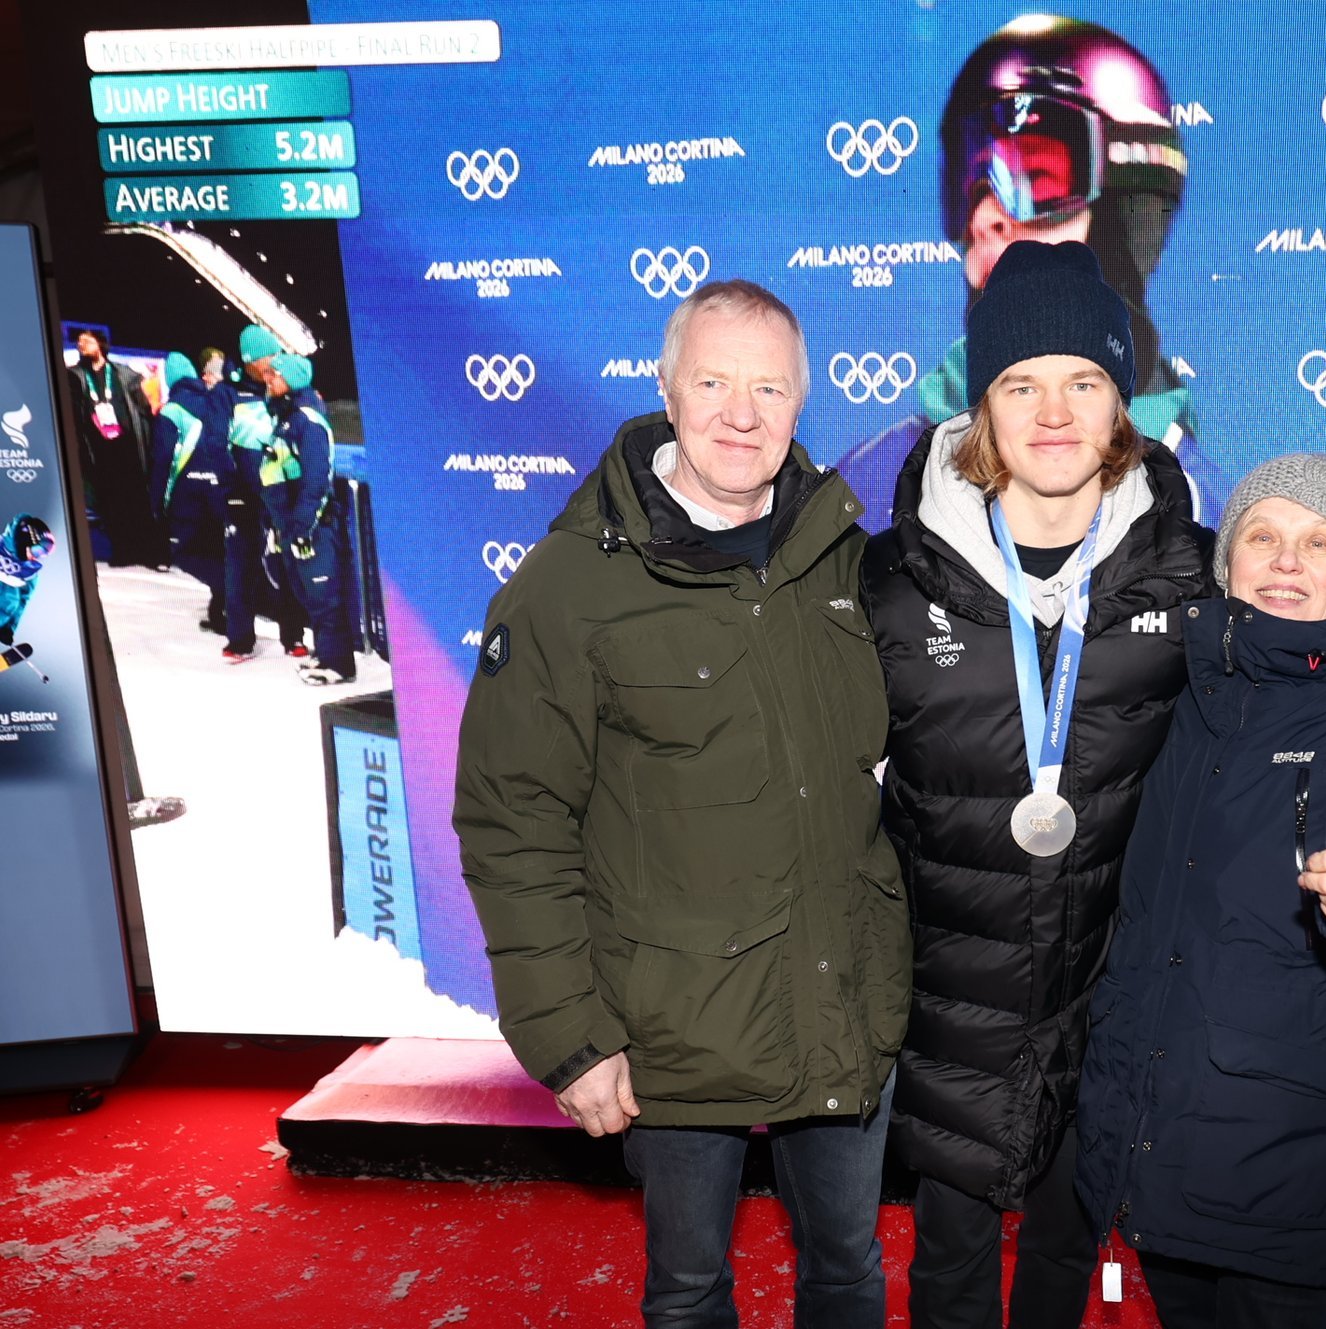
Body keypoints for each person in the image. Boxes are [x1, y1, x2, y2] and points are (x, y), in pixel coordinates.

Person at [454, 279, 911, 1328]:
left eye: (768, 387)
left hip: (837, 1000)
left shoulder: (842, 556)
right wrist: (569, 1035)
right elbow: (512, 823)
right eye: (711, 381)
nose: (739, 413)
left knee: (846, 1271)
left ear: (804, 402)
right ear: (665, 387)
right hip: (667, 1033)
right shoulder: (566, 590)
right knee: (690, 1288)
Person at [860, 239, 1211, 1329]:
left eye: (1082, 383)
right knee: (952, 1269)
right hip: (950, 997)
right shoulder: (889, 578)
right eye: (1020, 383)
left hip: (1110, 1000)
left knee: (1065, 1255)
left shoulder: (1191, 577)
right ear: (979, 410)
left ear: (1120, 408)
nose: (1051, 412)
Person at [1073, 455, 1326, 1327]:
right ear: (1229, 563)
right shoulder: (1178, 700)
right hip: (1159, 1143)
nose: (1286, 561)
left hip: (1289, 1174)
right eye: (1263, 536)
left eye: (1316, 542)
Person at [838, 14, 1224, 524]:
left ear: (1128, 212)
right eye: (972, 181)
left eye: (1036, 179)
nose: (986, 217)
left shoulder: (1198, 512)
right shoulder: (874, 484)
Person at [259, 353, 354, 686]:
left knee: (324, 594)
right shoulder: (286, 417)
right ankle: (325, 653)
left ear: (293, 379)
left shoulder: (308, 421)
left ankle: (338, 664)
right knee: (307, 594)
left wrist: (302, 527)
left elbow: (316, 480)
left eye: (275, 374)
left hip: (313, 527)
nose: (268, 378)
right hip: (291, 526)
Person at [220, 325, 306, 662]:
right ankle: (240, 640)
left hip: (281, 494)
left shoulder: (284, 389)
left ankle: (294, 636)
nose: (272, 365)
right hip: (243, 495)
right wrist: (230, 489)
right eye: (266, 359)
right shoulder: (228, 394)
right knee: (240, 565)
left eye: (275, 357)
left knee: (288, 564)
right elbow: (217, 444)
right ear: (249, 361)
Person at [148, 352, 234, 632]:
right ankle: (222, 611)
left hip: (189, 492)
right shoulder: (212, 400)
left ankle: (230, 595)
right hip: (219, 488)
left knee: (187, 553)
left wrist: (157, 500)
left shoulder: (172, 410)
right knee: (216, 550)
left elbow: (163, 458)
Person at [66, 329, 163, 567]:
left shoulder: (124, 374)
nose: (81, 345)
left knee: (137, 501)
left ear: (99, 343)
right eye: (78, 342)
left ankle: (150, 553)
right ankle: (123, 551)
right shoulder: (74, 376)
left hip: (127, 447)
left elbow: (142, 409)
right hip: (98, 450)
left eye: (86, 341)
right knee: (110, 504)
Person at [0, 513, 55, 646]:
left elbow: (23, 601)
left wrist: (9, 628)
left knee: (14, 598)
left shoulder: (29, 573)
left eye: (42, 554)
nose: (36, 557)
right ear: (25, 540)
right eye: (37, 551)